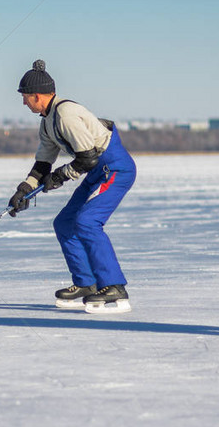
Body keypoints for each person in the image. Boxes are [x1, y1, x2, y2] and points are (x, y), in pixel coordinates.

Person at [9, 60, 136, 313]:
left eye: (25, 97)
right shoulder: (47, 121)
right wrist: (24, 190)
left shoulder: (65, 114)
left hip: (114, 169)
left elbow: (87, 157)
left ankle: (114, 286)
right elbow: (43, 163)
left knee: (87, 221)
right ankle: (86, 283)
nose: (24, 102)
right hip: (97, 171)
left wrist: (60, 177)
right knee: (64, 223)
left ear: (36, 96)